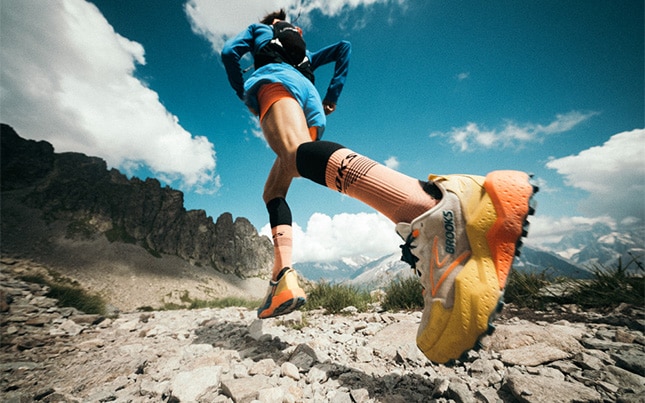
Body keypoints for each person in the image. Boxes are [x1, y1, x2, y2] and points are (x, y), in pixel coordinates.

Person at [221, 10, 538, 364]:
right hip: (310, 103)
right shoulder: (304, 51)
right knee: (275, 188)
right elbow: (343, 48)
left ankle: (431, 209)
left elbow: (229, 53)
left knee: (294, 154)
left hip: (275, 82)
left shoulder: (260, 30)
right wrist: (331, 96)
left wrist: (244, 90)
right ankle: (282, 279)